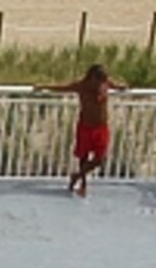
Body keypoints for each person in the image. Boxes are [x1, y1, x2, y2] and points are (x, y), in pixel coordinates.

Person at [44, 62, 125, 195]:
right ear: (91, 77)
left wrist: (122, 87)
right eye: (98, 80)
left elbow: (116, 85)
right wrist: (44, 87)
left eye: (103, 80)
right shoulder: (82, 86)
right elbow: (63, 88)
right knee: (83, 156)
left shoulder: (105, 83)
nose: (100, 84)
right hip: (86, 126)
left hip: (101, 127)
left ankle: (76, 176)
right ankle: (83, 184)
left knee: (100, 159)